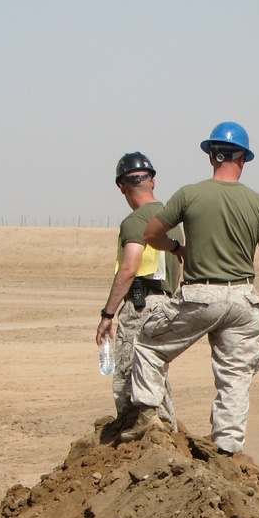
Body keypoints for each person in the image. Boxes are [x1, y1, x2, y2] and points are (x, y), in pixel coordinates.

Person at [121, 122, 259, 456]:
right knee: (235, 376)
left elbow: (151, 234)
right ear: (243, 159)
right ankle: (227, 447)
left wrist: (176, 248)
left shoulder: (188, 194)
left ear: (212, 156)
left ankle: (150, 417)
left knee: (148, 343)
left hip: (200, 295)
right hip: (243, 299)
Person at [96, 152, 184, 439]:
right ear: (153, 182)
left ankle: (138, 446)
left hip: (140, 305)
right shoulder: (173, 222)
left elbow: (129, 268)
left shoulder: (136, 221)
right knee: (155, 373)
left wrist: (108, 314)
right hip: (167, 305)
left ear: (121, 187)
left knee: (129, 378)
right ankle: (166, 438)